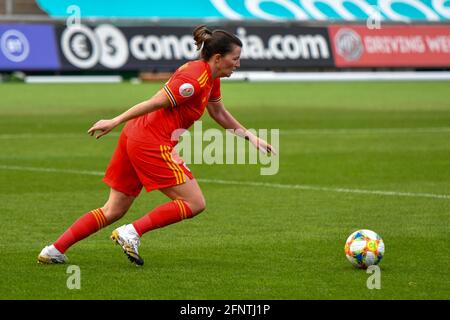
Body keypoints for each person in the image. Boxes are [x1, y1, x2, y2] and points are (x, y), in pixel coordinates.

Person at [38, 25, 275, 266]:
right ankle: (131, 232)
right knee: (195, 203)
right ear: (217, 58)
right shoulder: (194, 79)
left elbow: (219, 112)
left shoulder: (210, 78)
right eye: (235, 59)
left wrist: (250, 137)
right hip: (150, 142)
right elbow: (154, 102)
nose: (237, 64)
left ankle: (54, 250)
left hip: (135, 136)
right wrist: (116, 120)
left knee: (114, 209)